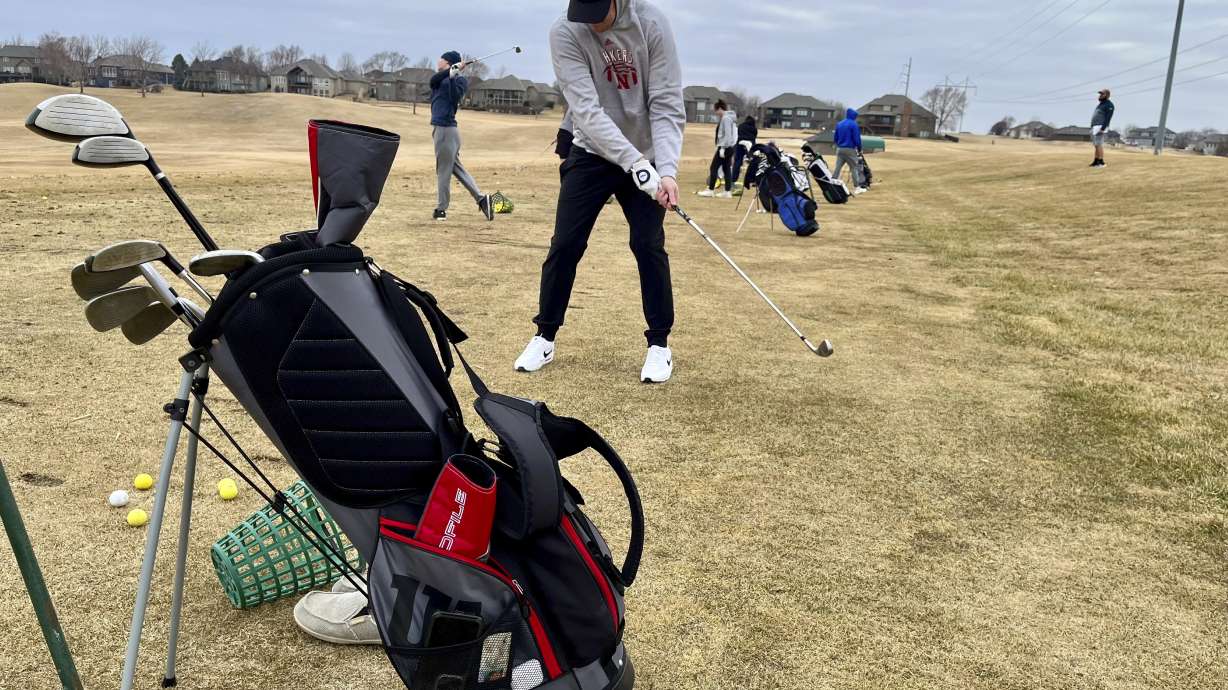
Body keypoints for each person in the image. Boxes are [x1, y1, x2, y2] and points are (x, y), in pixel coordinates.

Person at [514, 0, 684, 383]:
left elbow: (666, 102)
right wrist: (632, 162)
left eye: (598, 14)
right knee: (566, 244)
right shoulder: (564, 31)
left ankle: (659, 345)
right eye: (582, 14)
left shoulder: (652, 23)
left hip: (648, 151)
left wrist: (666, 171)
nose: (591, 25)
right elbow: (586, 111)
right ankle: (545, 335)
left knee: (648, 245)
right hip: (592, 151)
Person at [430, 50, 493, 222]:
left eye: (441, 59)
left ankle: (441, 209)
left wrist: (453, 76)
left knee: (443, 170)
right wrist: (449, 73)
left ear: (448, 62)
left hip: (446, 130)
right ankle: (482, 199)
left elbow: (454, 97)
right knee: (456, 168)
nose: (438, 60)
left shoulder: (460, 81)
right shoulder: (439, 78)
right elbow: (432, 81)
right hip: (442, 130)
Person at [698, 100, 736, 198]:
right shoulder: (727, 118)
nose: (715, 113)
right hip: (728, 147)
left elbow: (727, 135)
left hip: (725, 148)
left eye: (716, 110)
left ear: (720, 108)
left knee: (713, 167)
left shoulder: (726, 119)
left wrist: (723, 148)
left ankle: (710, 190)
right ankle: (727, 191)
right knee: (726, 169)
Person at [832, 108, 867, 195]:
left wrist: (838, 144)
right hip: (850, 149)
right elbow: (857, 139)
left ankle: (832, 184)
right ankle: (857, 187)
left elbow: (835, 138)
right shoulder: (853, 125)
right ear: (854, 116)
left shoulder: (839, 124)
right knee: (854, 168)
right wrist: (859, 149)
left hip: (839, 149)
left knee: (838, 167)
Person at [1090, 88, 1114, 168]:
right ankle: (1096, 161)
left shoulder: (1109, 105)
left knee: (1099, 144)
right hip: (1095, 126)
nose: (1100, 95)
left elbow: (1108, 118)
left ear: (1106, 95)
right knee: (1096, 145)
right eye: (1100, 94)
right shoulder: (1101, 104)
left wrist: (1103, 128)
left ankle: (1101, 162)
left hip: (1100, 126)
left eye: (1102, 94)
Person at [731, 114, 758, 183]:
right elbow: (754, 137)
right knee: (753, 161)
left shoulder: (741, 126)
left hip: (740, 143)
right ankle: (753, 179)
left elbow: (738, 134)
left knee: (737, 161)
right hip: (750, 145)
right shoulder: (754, 128)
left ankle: (734, 178)